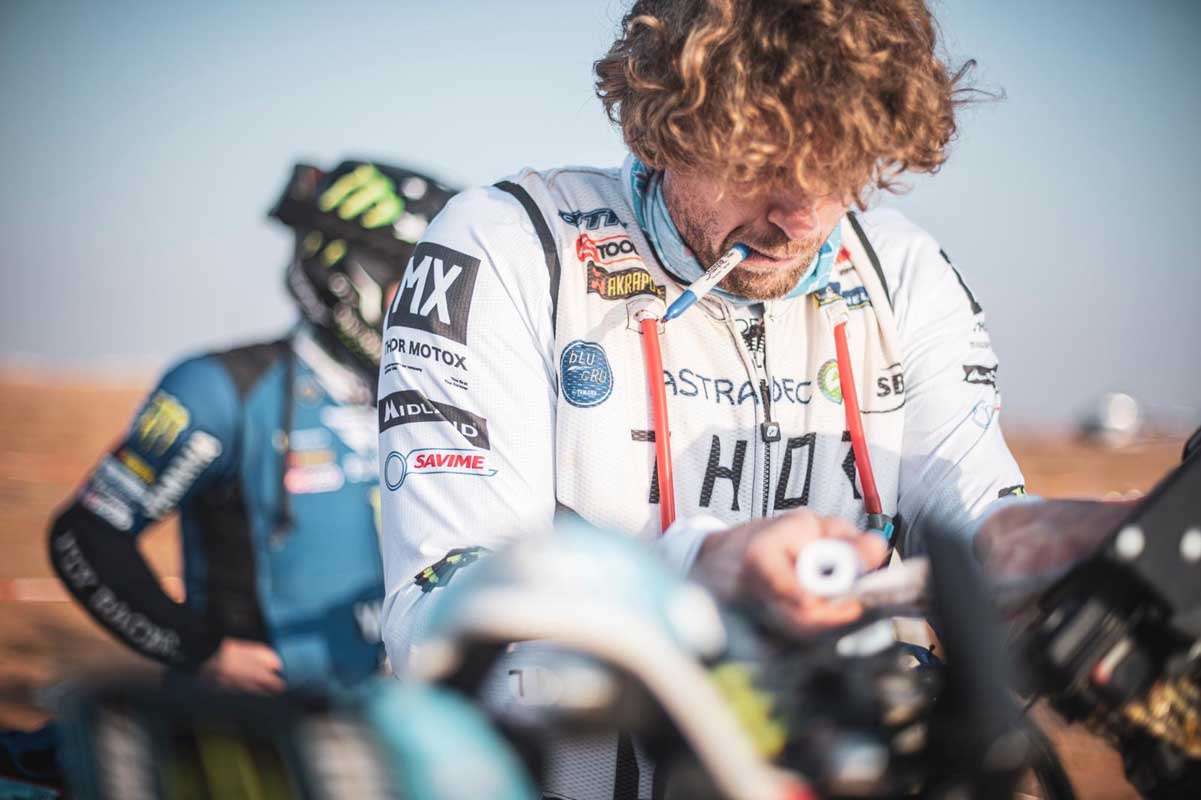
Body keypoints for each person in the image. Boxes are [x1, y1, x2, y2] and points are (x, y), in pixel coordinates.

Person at [375, 1, 1130, 795]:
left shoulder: (903, 269)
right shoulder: (508, 246)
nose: (801, 216)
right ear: (660, 123)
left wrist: (1054, 542)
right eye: (760, 160)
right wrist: (696, 574)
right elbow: (435, 628)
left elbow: (970, 514)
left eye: (839, 164)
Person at [48, 159, 456, 692]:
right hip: (262, 725)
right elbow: (86, 534)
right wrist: (198, 649)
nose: (430, 308)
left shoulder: (434, 397)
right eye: (409, 282)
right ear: (343, 274)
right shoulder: (221, 389)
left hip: (395, 717)